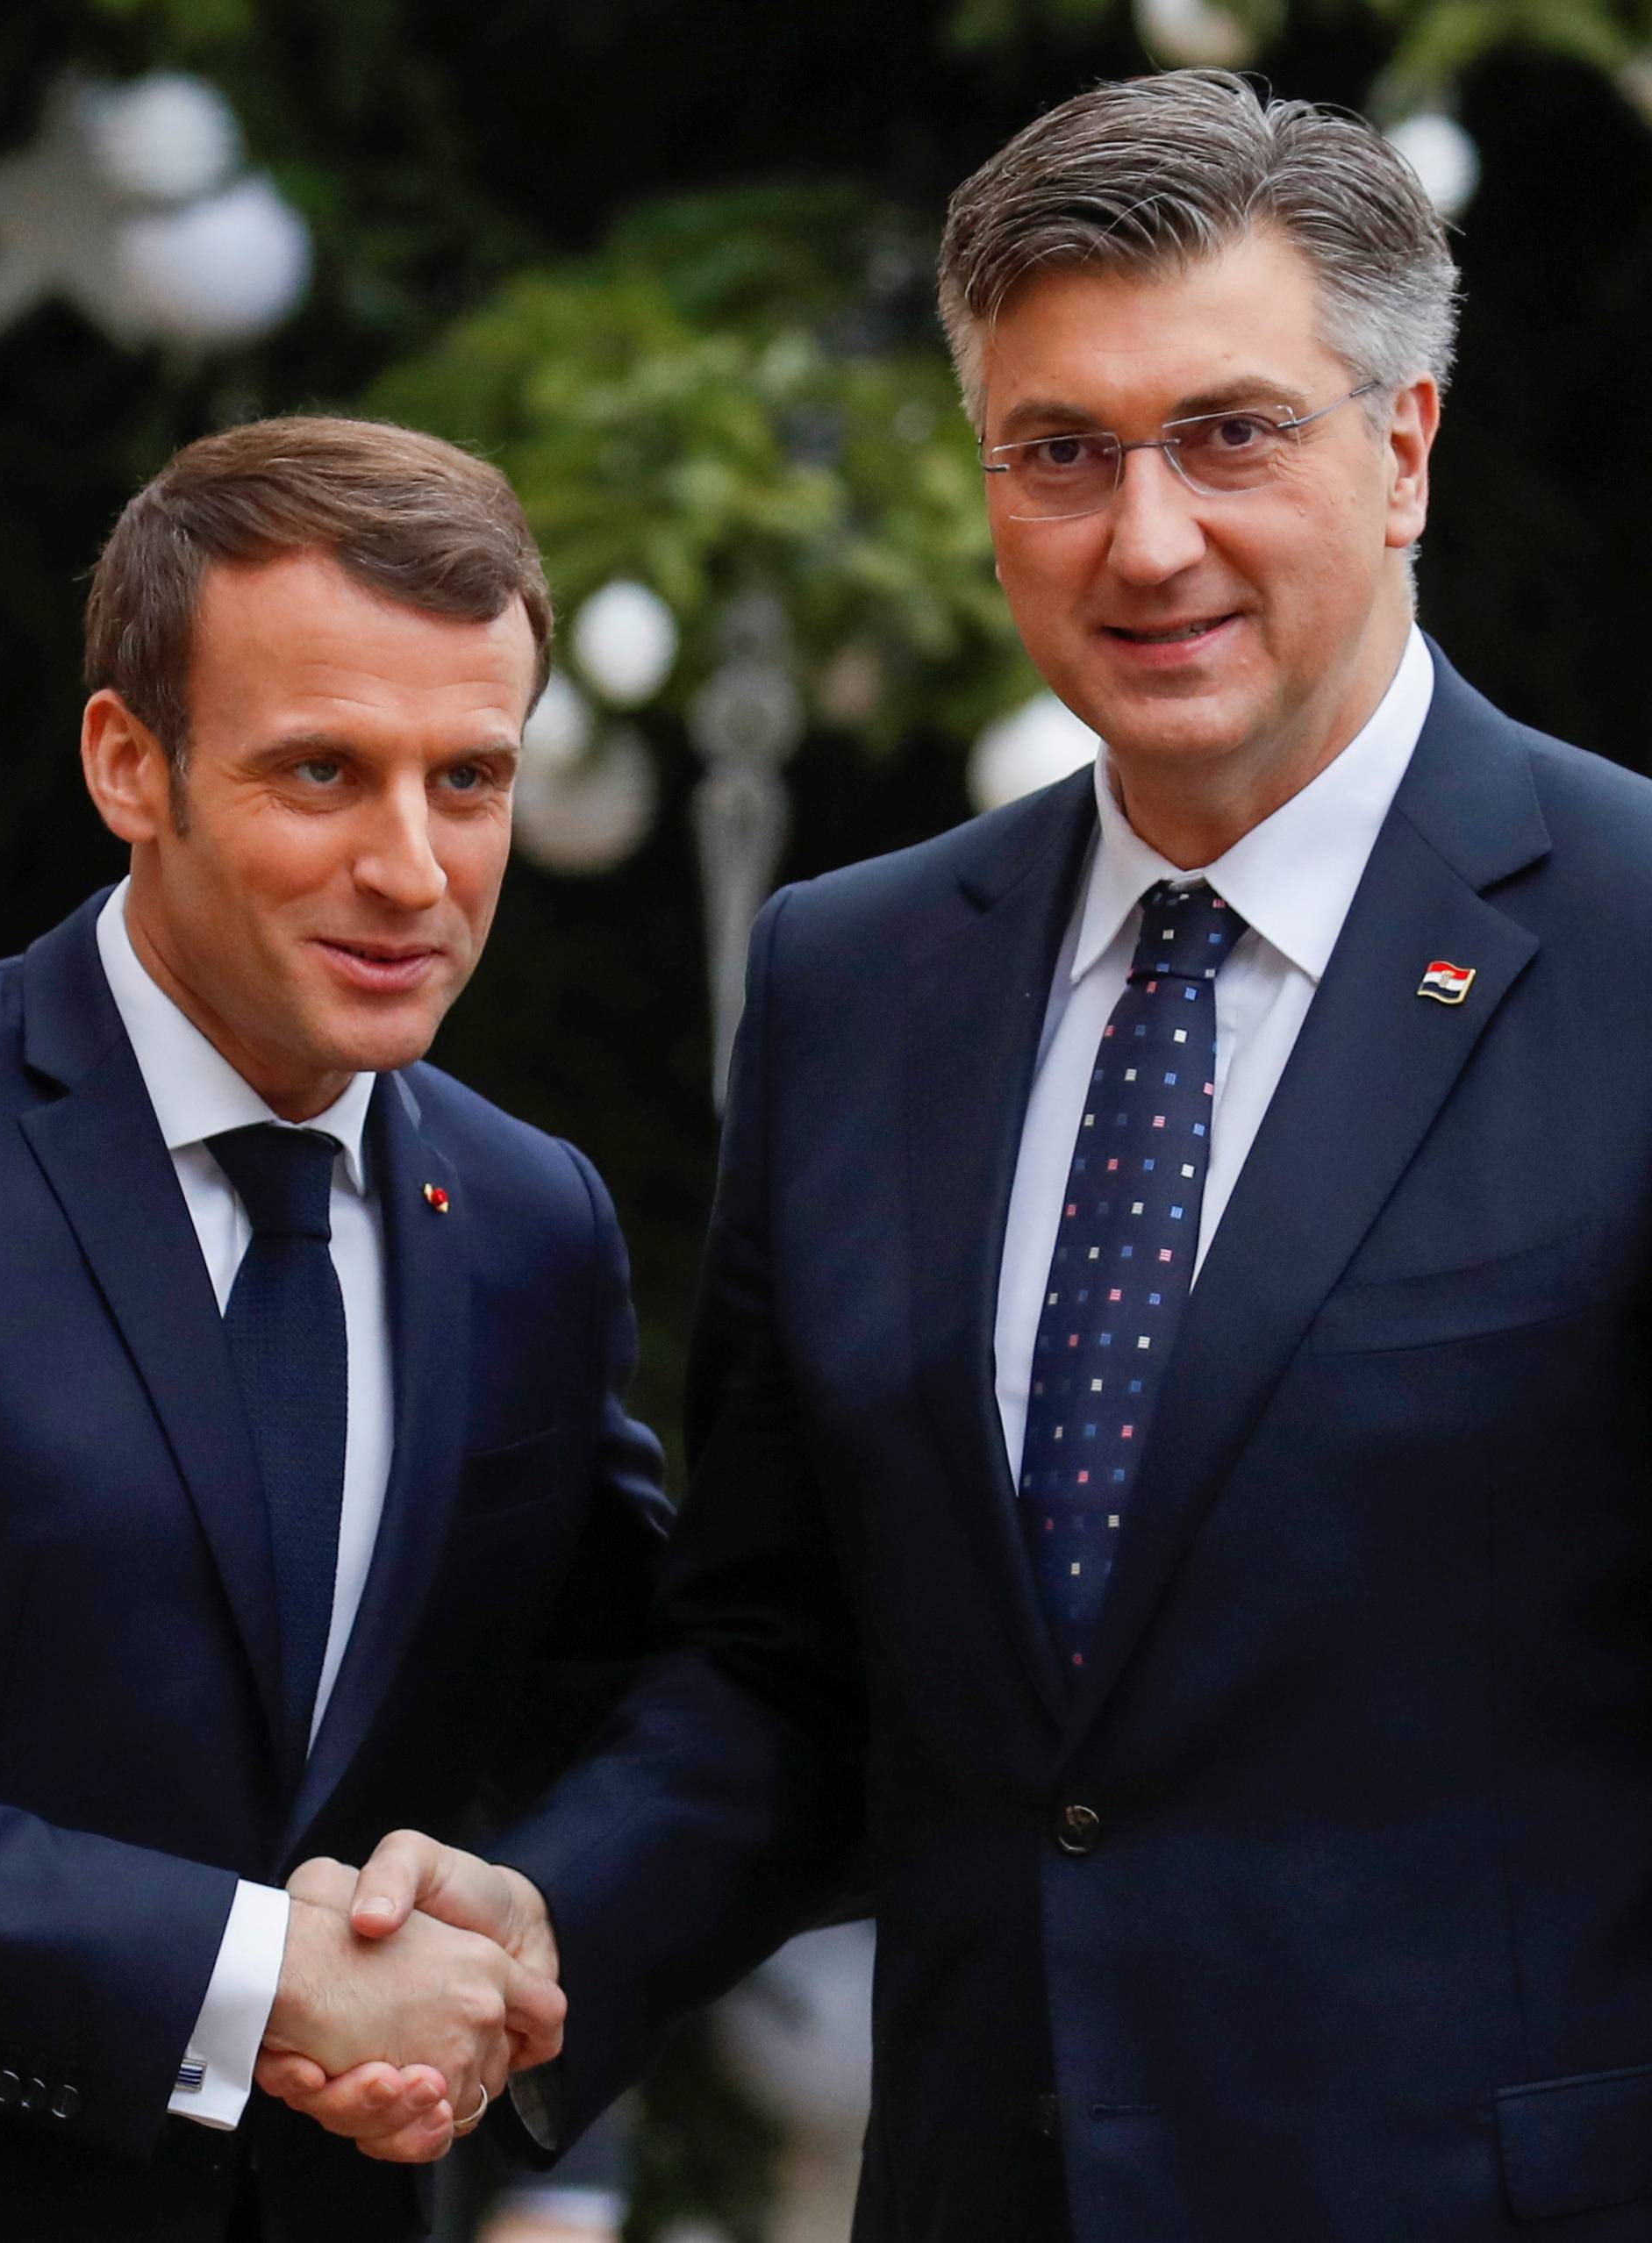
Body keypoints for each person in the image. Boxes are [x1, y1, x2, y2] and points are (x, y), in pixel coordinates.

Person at [272, 71, 1652, 2240]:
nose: (1149, 534)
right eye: (1061, 452)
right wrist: (540, 1928)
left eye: (1231, 433)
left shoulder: (1636, 938)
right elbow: (788, 1657)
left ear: (1401, 452)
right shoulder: (860, 974)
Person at [0, 415, 668, 2243]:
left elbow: (622, 1722)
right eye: (322, 773)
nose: (415, 870)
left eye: (470, 779)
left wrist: (532, 1993)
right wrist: (247, 1976)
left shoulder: (531, 1226)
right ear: (132, 762)